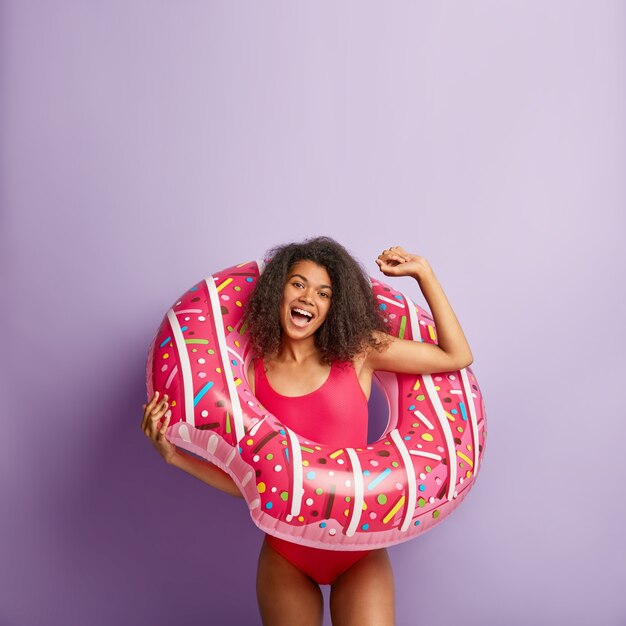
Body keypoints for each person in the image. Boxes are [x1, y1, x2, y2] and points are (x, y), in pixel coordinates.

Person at [141, 237, 473, 626]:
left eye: (323, 292)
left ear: (334, 306)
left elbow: (457, 356)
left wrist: (423, 272)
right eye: (298, 284)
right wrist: (175, 456)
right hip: (287, 556)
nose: (308, 299)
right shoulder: (249, 377)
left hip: (359, 553)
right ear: (278, 290)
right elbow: (256, 480)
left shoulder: (360, 351)